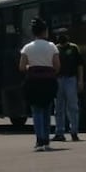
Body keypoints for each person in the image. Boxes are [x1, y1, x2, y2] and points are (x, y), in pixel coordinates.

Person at [20, 17, 60, 151]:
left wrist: (31, 68)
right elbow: (57, 66)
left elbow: (21, 66)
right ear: (45, 31)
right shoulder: (52, 46)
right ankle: (47, 140)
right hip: (48, 81)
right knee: (47, 110)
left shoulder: (27, 47)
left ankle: (39, 140)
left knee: (36, 111)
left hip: (33, 82)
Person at [52, 28, 84, 141]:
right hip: (58, 80)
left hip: (71, 79)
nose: (60, 37)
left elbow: (80, 65)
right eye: (58, 35)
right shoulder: (55, 49)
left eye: (62, 35)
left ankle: (74, 131)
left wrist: (80, 81)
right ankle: (59, 132)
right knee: (58, 108)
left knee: (73, 107)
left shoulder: (74, 48)